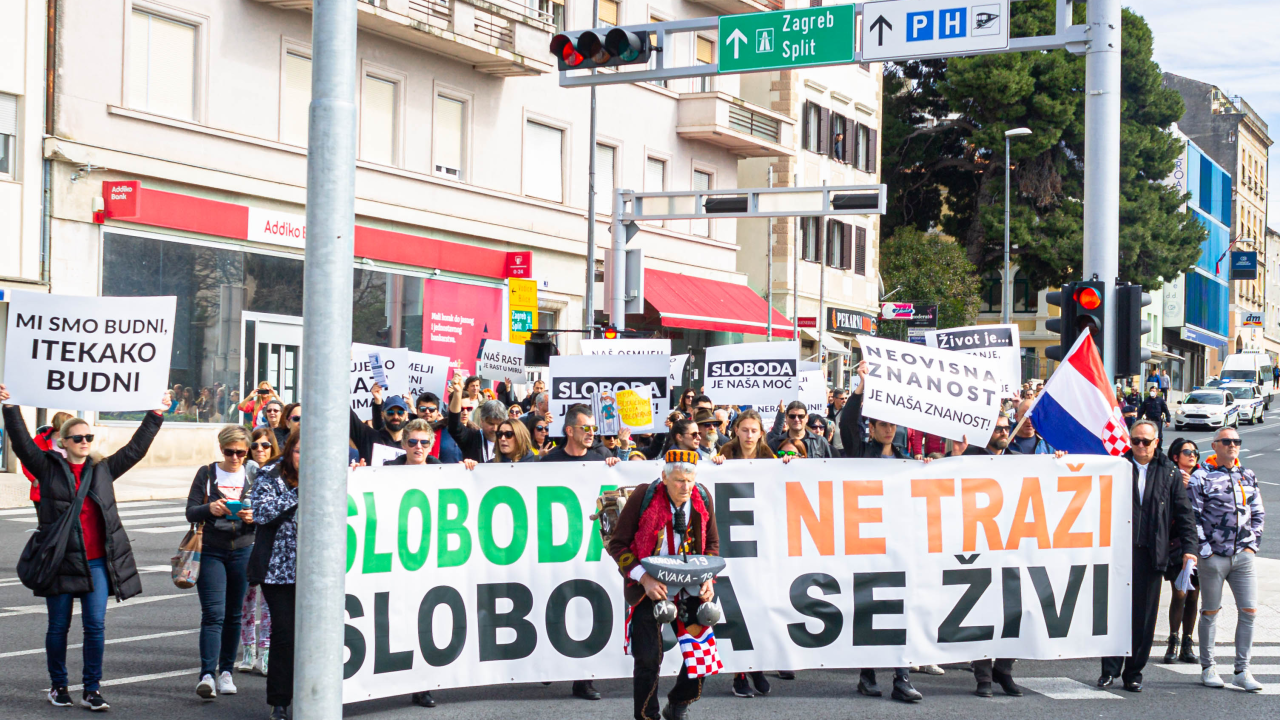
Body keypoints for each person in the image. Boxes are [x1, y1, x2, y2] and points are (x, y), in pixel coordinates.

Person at [0, 384, 169, 711]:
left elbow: (135, 449)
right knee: (58, 627)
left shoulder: (102, 469)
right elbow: (21, 443)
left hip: (95, 564)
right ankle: (58, 685)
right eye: (77, 438)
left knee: (95, 627)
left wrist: (156, 414)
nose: (83, 442)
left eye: (88, 437)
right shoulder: (47, 467)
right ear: (63, 442)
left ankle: (92, 689)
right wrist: (9, 407)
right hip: (60, 562)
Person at [607, 450, 719, 720]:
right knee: (647, 659)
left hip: (689, 584)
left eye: (690, 481)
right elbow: (617, 544)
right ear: (664, 478)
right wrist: (644, 578)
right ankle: (647, 716)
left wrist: (707, 578)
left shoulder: (701, 497)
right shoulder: (644, 496)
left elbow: (712, 546)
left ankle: (679, 703)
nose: (686, 487)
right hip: (650, 585)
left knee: (701, 652)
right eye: (680, 481)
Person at [837, 363, 923, 702]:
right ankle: (868, 674)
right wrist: (861, 386)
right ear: (871, 427)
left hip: (899, 544)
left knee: (901, 609)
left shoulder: (906, 459)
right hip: (865, 542)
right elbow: (846, 422)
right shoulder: (860, 452)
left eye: (892, 424)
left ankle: (901, 677)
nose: (889, 429)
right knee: (868, 609)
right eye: (882, 424)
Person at [1098, 419, 1198, 692]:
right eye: (1135, 440)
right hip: (1118, 553)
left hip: (1152, 555)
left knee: (1144, 618)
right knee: (1114, 613)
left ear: (1157, 442)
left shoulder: (1169, 473)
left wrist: (1190, 548)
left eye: (1146, 441)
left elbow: (1184, 514)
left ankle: (1133, 673)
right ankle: (1109, 670)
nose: (1140, 446)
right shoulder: (1116, 466)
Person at [535, 403, 618, 700]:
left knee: (584, 609)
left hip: (589, 549)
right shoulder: (548, 462)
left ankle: (583, 679)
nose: (591, 433)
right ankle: (549, 666)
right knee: (553, 605)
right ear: (569, 430)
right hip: (554, 547)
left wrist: (613, 465)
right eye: (586, 428)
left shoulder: (602, 458)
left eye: (594, 428)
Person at [1188, 427, 1266, 692]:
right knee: (1210, 611)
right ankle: (1208, 666)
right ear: (1215, 446)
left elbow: (1258, 512)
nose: (1233, 445)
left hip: (1242, 556)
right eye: (1227, 441)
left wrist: (1252, 546)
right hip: (1213, 557)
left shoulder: (1248, 475)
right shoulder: (1202, 477)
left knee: (1249, 611)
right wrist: (1205, 551)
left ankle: (1242, 671)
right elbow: (1193, 517)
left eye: (1236, 442)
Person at [952, 417, 1024, 698]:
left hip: (1011, 546)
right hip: (977, 545)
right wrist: (955, 458)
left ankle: (1003, 670)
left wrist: (1057, 461)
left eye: (1007, 427)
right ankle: (983, 675)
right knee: (981, 610)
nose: (1004, 431)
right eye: (998, 428)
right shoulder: (968, 457)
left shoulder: (1021, 460)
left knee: (1013, 610)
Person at [186, 426, 259, 700]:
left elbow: (267, 509)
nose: (235, 457)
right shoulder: (207, 473)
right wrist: (210, 509)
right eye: (230, 452)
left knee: (233, 615)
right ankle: (207, 674)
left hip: (242, 549)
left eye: (241, 452)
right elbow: (190, 511)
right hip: (211, 550)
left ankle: (226, 671)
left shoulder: (253, 474)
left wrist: (254, 515)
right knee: (213, 613)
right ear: (221, 449)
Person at [249, 430, 300, 720]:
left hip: (317, 571)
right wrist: (298, 491)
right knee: (284, 633)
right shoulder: (269, 475)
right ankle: (279, 701)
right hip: (277, 570)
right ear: (288, 450)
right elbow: (262, 513)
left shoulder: (327, 472)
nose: (303, 458)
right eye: (298, 451)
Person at [239, 427, 278, 675]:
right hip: (244, 543)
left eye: (266, 446)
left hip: (270, 545)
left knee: (268, 603)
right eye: (256, 446)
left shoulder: (279, 474)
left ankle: (265, 653)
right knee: (247, 601)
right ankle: (247, 649)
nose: (260, 450)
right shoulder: (242, 474)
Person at [1162, 438, 1201, 665]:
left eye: (1195, 451)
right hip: (1176, 544)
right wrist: (1179, 487)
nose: (1192, 455)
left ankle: (1188, 642)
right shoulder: (1168, 476)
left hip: (1199, 544)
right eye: (1187, 451)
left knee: (1194, 593)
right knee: (1180, 592)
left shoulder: (1202, 477)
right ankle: (1173, 642)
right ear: (1175, 456)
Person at [20, 411, 74, 512]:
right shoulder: (41, 439)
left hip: (66, 490)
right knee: (46, 524)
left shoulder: (72, 440)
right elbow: (26, 459)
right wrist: (34, 479)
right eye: (70, 424)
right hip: (44, 490)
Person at [448, 377, 508, 462]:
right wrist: (458, 393)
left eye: (498, 424)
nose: (495, 428)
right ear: (482, 421)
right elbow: (454, 426)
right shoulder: (471, 437)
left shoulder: (511, 439)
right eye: (491, 424)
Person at [350, 383, 410, 464]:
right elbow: (346, 412)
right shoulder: (368, 436)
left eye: (400, 412)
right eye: (390, 412)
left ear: (406, 415)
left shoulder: (413, 444)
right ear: (382, 415)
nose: (395, 416)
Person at [767, 401, 833, 458]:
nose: (796, 419)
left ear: (806, 418)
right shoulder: (774, 443)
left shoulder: (820, 442)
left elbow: (828, 466)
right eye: (792, 416)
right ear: (786, 417)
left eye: (800, 416)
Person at [413, 392, 462, 463]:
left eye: (431, 409)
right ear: (416, 410)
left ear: (438, 412)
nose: (427, 412)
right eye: (423, 409)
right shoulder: (408, 431)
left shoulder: (449, 432)